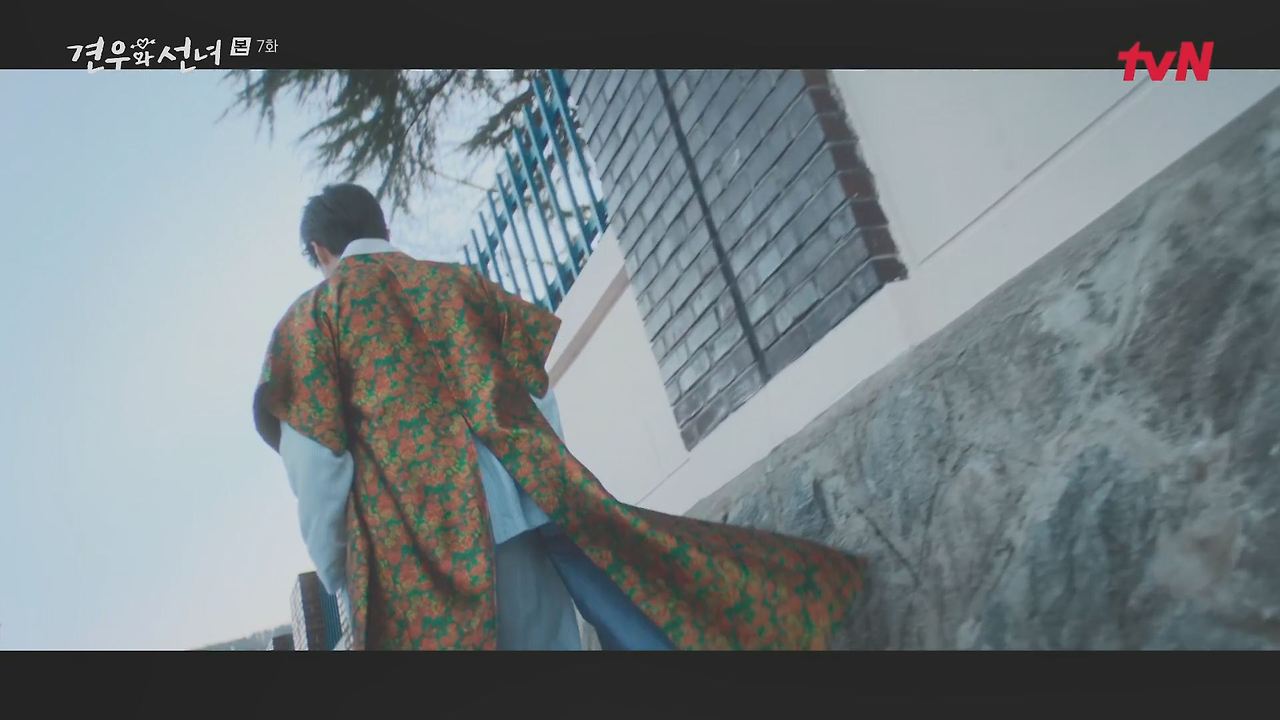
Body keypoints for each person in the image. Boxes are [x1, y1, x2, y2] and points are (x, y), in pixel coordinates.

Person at [253, 183, 866, 650]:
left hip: (420, 553)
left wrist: (337, 568)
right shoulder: (458, 283)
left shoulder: (312, 323)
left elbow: (317, 463)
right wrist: (545, 486)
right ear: (381, 226)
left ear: (320, 251)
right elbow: (534, 387)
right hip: (527, 511)